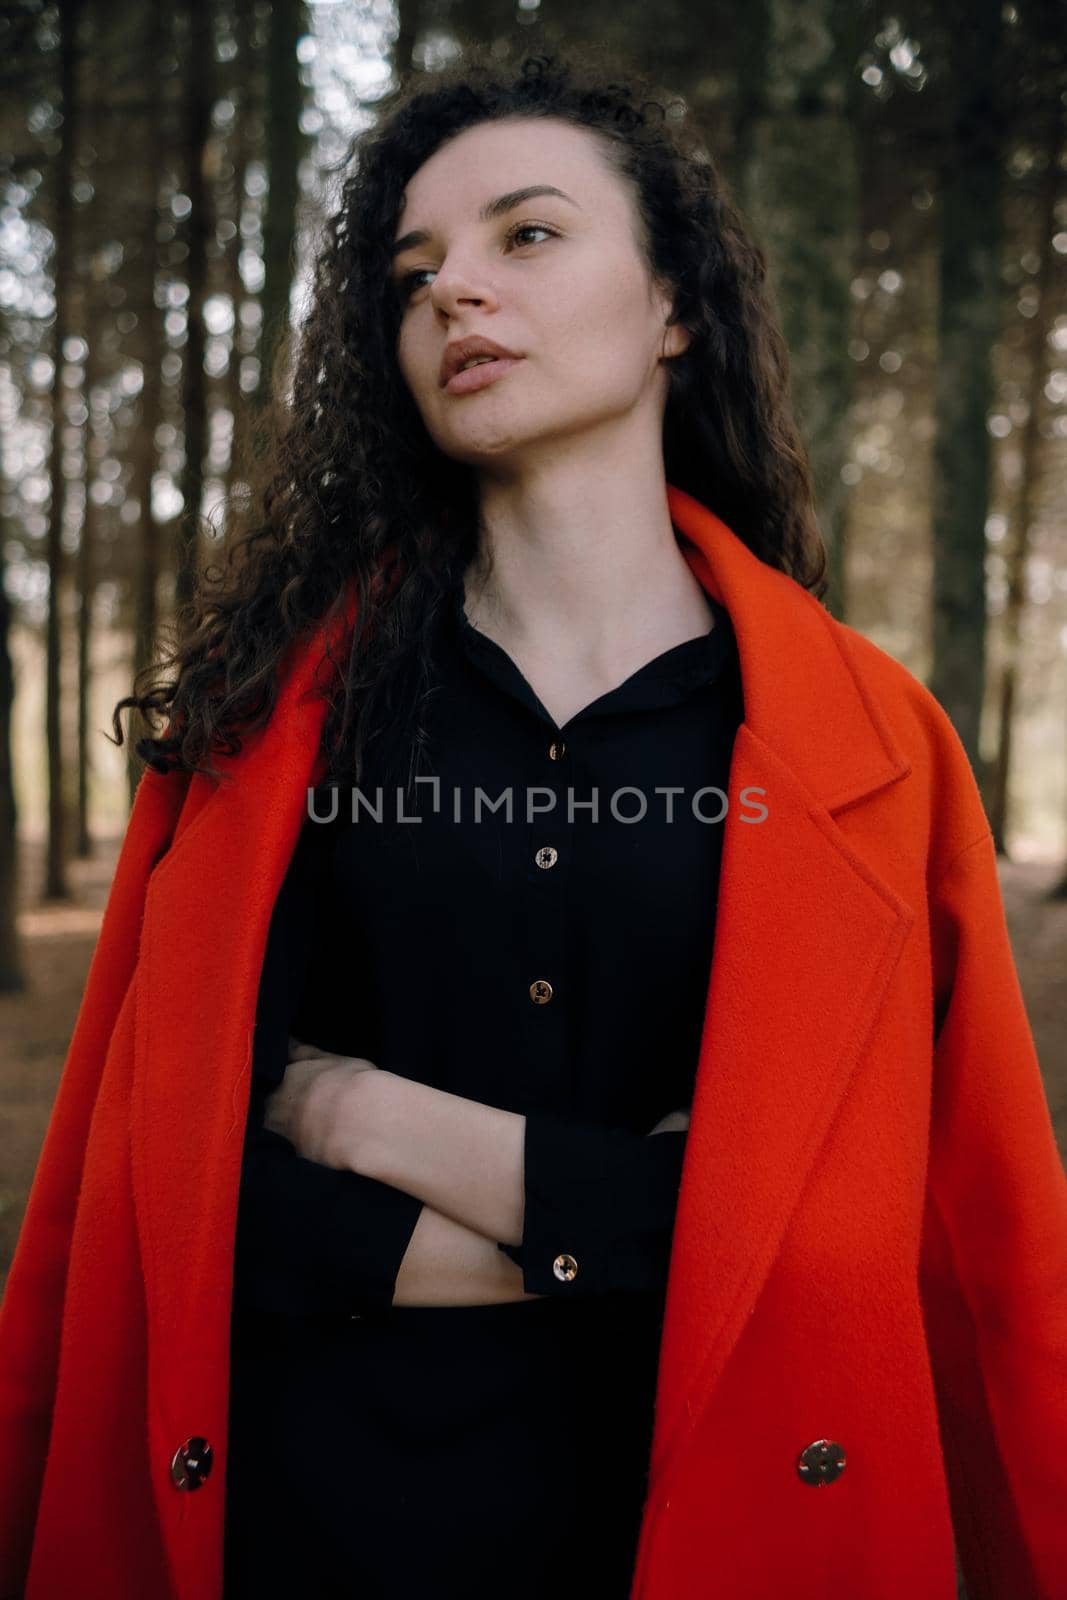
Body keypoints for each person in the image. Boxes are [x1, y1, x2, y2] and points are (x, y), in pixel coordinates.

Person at [1, 42, 1065, 1600]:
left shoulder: (876, 743)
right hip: (316, 1529)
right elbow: (182, 1206)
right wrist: (637, 1220)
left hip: (730, 1536)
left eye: (529, 235)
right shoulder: (257, 726)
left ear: (674, 310)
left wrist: (376, 1123)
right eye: (414, 267)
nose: (452, 292)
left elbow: (927, 1235)